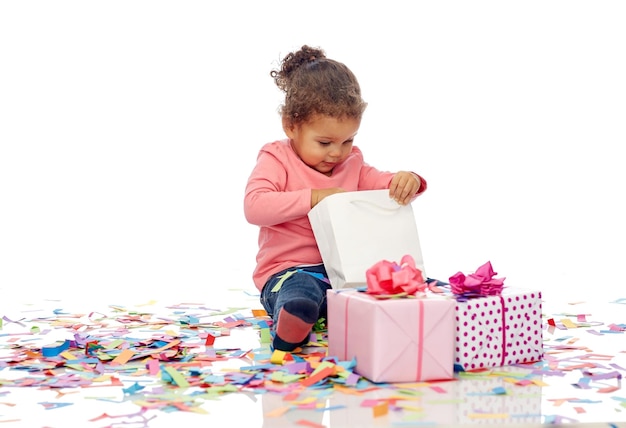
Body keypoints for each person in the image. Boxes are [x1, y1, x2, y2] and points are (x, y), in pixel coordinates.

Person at [244, 45, 428, 352]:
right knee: (300, 291)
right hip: (290, 270)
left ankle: (417, 319)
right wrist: (314, 197)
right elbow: (255, 205)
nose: (336, 152)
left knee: (400, 282)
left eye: (347, 140)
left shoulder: (351, 163)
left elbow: (382, 183)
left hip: (345, 273)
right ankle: (294, 322)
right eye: (325, 142)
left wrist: (407, 180)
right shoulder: (277, 158)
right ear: (291, 125)